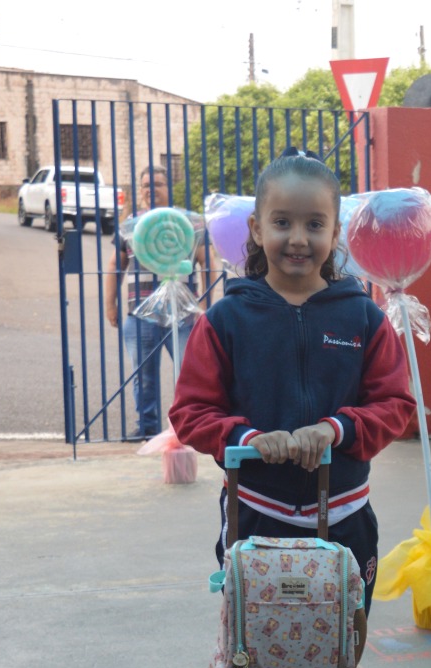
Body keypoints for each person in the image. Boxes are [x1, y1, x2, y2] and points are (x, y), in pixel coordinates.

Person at [169, 148, 414, 613]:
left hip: (345, 517)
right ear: (256, 230)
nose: (298, 238)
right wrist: (249, 438)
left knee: (338, 651)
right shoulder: (224, 321)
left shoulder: (365, 318)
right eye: (282, 222)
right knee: (260, 660)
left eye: (315, 224)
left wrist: (335, 429)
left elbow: (395, 406)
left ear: (336, 233)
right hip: (257, 517)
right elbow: (191, 413)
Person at [104, 165, 201, 440]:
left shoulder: (189, 222)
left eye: (157, 184)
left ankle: (188, 426)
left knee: (188, 374)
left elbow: (207, 262)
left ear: (168, 187)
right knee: (144, 376)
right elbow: (115, 264)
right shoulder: (131, 225)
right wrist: (109, 305)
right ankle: (147, 428)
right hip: (140, 312)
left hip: (182, 312)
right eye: (146, 185)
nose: (151, 189)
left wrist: (203, 303)